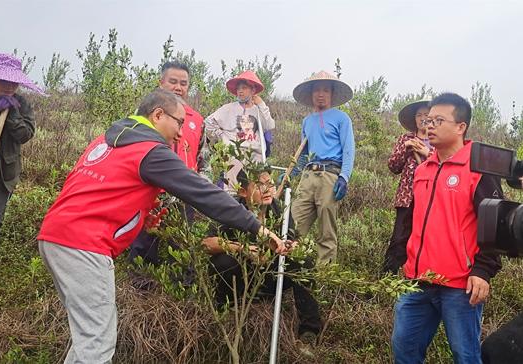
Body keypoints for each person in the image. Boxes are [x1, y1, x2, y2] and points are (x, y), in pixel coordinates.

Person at [37, 89, 287, 363]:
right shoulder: (151, 150)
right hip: (84, 245)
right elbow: (203, 193)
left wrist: (138, 216)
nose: (181, 133)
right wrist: (257, 227)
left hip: (54, 237)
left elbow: (97, 191)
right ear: (157, 115)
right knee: (97, 344)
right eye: (179, 122)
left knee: (86, 337)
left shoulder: (107, 141)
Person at [392, 93, 503, 364]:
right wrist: (404, 260)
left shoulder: (479, 169)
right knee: (403, 348)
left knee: (465, 355)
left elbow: (496, 225)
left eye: (439, 120)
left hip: (459, 286)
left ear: (460, 127)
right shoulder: (423, 169)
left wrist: (483, 271)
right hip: (418, 281)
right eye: (429, 120)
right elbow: (411, 220)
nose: (430, 126)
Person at [203, 167, 322, 347]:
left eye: (270, 184)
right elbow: (206, 243)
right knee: (222, 262)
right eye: (259, 186)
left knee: (304, 261)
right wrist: (242, 248)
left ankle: (309, 331)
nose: (267, 190)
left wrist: (292, 246)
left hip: (270, 275)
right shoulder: (231, 209)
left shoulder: (279, 207)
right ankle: (226, 311)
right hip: (241, 277)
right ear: (243, 192)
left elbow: (292, 237)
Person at [0, 54, 42, 289]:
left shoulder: (22, 104)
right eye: (4, 81)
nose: (10, 87)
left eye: (14, 82)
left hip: (4, 171)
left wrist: (12, 114)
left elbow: (25, 135)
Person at [128, 61, 205, 266]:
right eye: (173, 81)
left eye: (183, 83)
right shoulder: (146, 113)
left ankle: (179, 287)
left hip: (183, 192)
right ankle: (141, 285)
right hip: (151, 189)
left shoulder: (196, 119)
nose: (178, 87)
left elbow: (201, 156)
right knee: (145, 240)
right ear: (161, 83)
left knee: (181, 243)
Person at [290, 71, 355, 265]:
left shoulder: (342, 118)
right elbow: (303, 153)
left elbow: (349, 150)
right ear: (311, 94)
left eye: (325, 90)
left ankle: (323, 277)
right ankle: (288, 271)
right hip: (308, 176)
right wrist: (292, 173)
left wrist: (344, 177)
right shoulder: (307, 121)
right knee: (292, 224)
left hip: (330, 175)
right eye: (317, 90)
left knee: (326, 230)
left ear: (332, 94)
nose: (321, 94)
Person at [382, 99, 432, 274]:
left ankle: (415, 276)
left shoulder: (436, 141)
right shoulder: (406, 138)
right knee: (399, 237)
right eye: (419, 115)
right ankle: (388, 275)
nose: (423, 118)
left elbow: (445, 164)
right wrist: (406, 148)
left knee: (423, 238)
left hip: (430, 199)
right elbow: (393, 166)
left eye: (427, 115)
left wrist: (427, 153)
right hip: (407, 197)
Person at [205, 70, 275, 189]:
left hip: (255, 157)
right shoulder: (228, 109)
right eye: (238, 88)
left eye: (244, 88)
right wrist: (221, 136)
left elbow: (269, 125)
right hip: (234, 155)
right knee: (233, 190)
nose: (240, 91)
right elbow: (208, 123)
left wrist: (262, 104)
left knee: (256, 192)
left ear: (253, 90)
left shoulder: (258, 111)